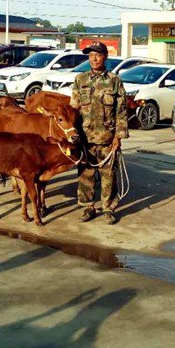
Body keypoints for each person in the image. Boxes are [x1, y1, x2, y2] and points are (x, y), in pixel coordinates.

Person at [70, 41, 129, 225]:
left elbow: (121, 111)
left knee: (108, 176)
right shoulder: (80, 80)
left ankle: (108, 209)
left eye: (98, 55)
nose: (94, 59)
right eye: (90, 55)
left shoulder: (114, 81)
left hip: (107, 138)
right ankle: (88, 208)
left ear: (105, 57)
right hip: (85, 139)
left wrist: (118, 136)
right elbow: (73, 110)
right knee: (85, 175)